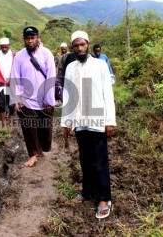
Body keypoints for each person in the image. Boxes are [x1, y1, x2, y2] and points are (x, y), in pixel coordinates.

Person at [61, 30, 116, 219]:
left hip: (98, 120)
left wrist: (110, 121)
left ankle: (104, 198)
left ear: (88, 44)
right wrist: (66, 122)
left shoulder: (100, 65)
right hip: (80, 122)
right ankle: (88, 191)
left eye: (82, 44)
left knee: (100, 161)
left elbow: (108, 94)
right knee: (85, 159)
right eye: (76, 45)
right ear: (72, 48)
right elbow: (68, 96)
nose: (79, 48)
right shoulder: (70, 68)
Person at [10, 26, 56, 167]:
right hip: (26, 99)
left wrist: (49, 100)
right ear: (24, 39)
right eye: (27, 38)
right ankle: (33, 154)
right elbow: (15, 77)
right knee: (29, 128)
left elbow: (51, 76)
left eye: (32, 38)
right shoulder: (19, 56)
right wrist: (16, 99)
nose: (30, 41)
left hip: (43, 99)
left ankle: (41, 148)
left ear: (37, 38)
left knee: (44, 128)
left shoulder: (46, 54)